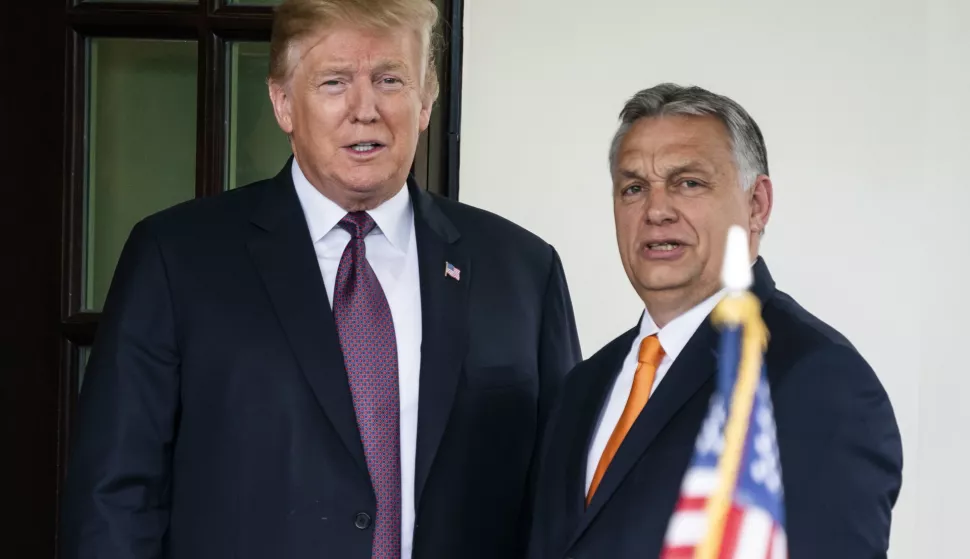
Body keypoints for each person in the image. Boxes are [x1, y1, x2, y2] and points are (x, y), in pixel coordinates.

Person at [60, 1, 581, 558]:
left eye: (390, 80)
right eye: (335, 82)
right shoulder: (176, 259)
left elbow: (563, 499)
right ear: (283, 102)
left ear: (425, 101)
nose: (365, 110)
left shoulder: (523, 269)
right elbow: (114, 498)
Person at [526, 83, 902, 558]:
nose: (656, 210)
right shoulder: (581, 388)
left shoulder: (816, 382)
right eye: (634, 188)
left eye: (689, 182)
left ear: (757, 204)